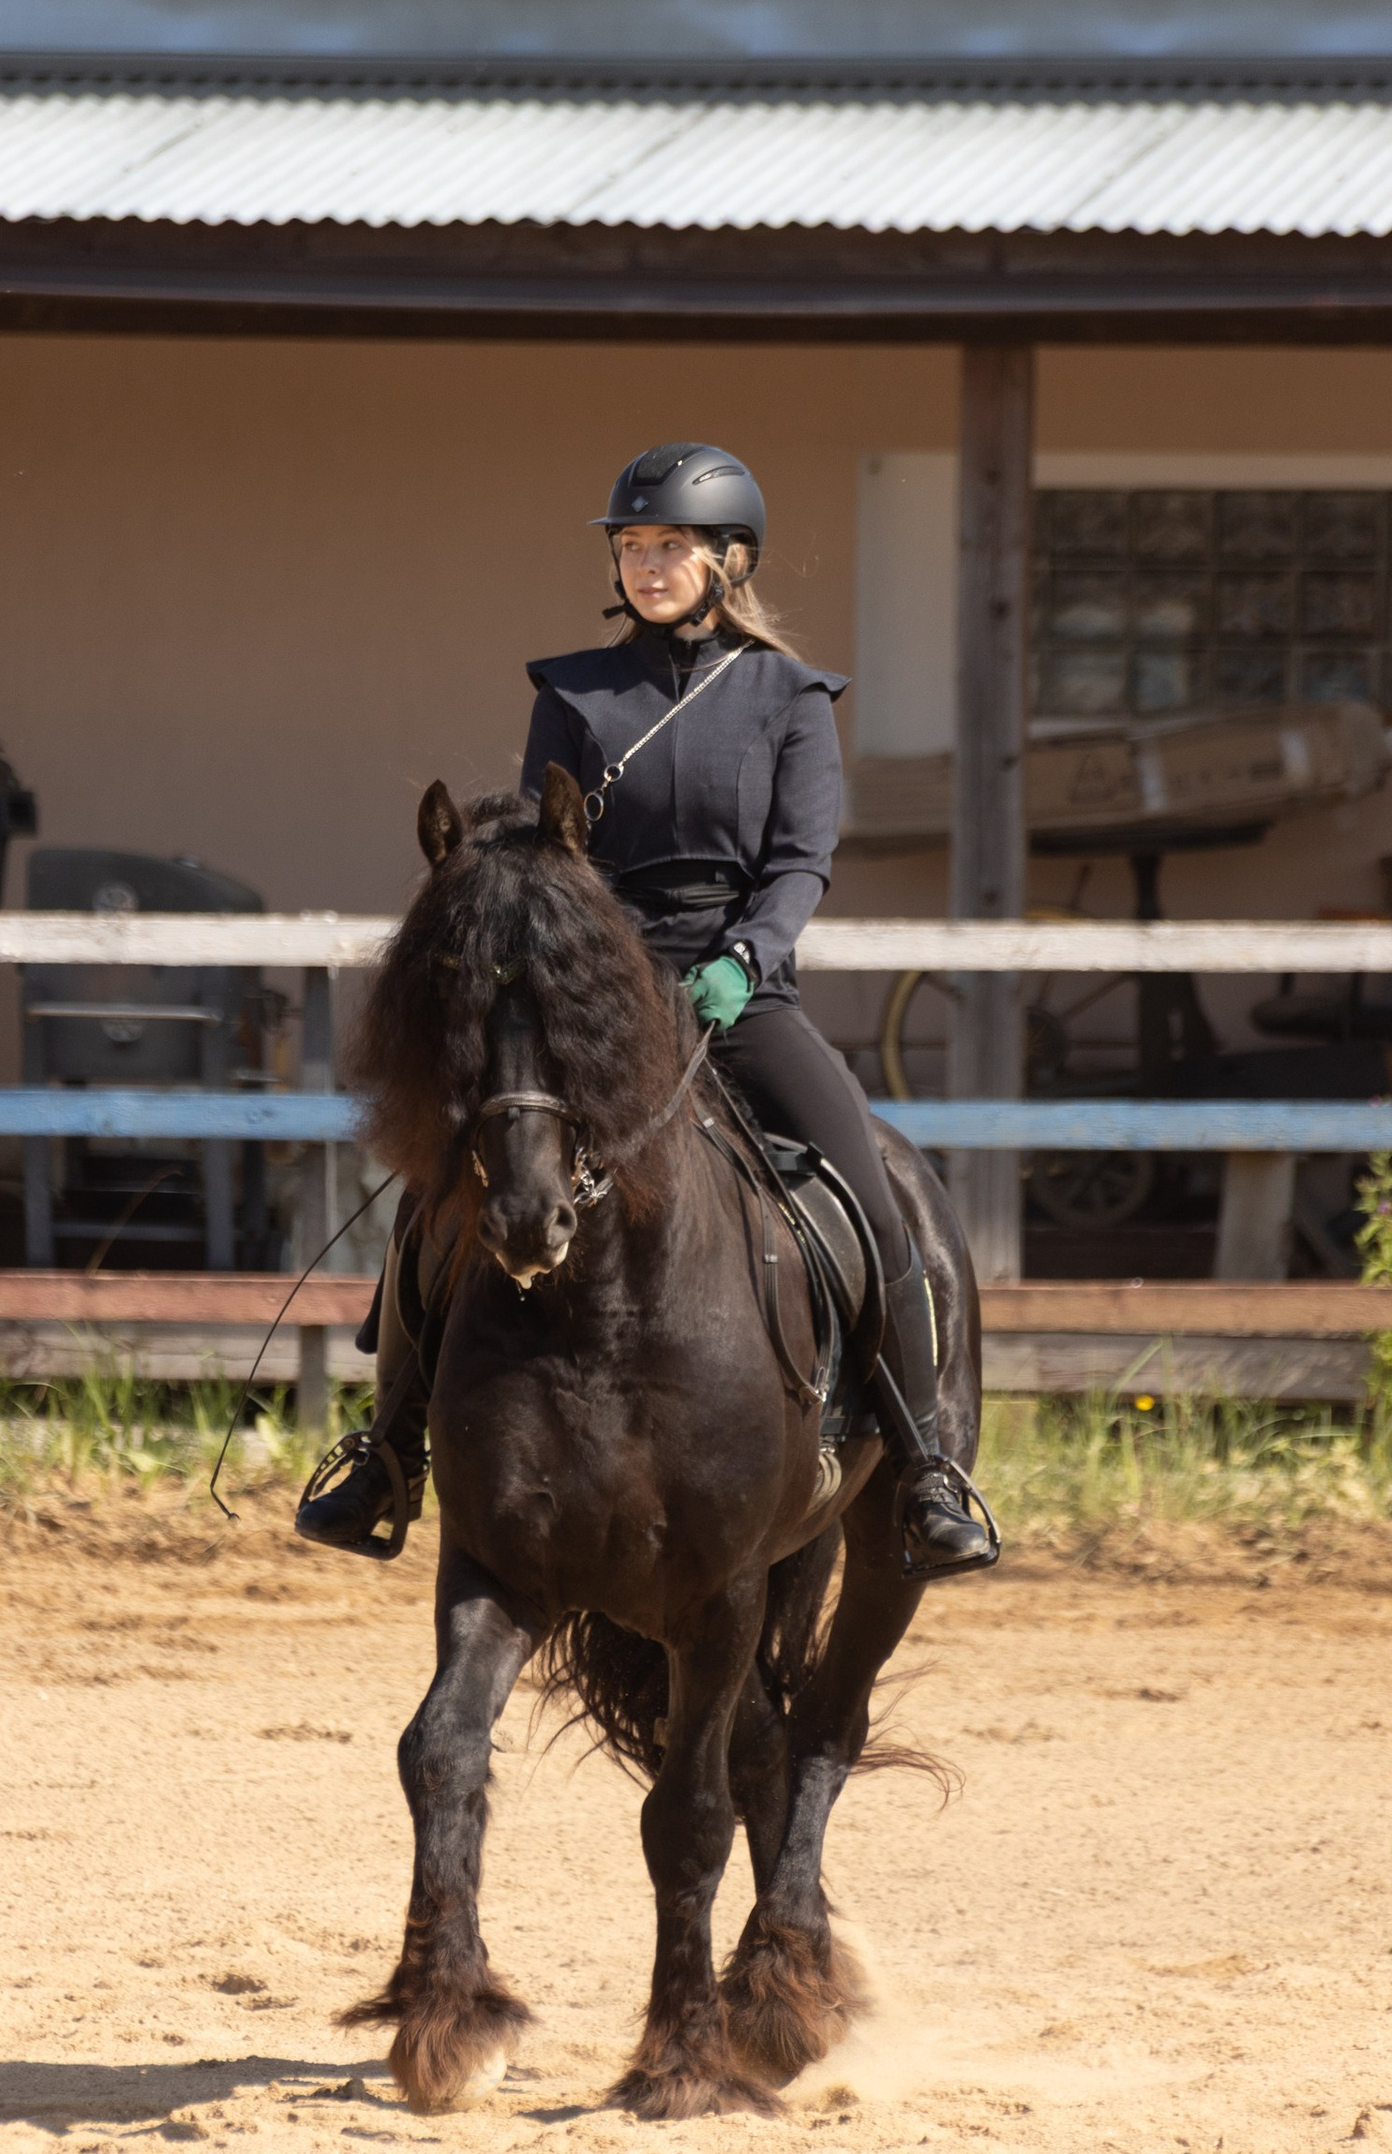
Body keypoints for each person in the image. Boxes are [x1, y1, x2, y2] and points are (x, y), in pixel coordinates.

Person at [296, 441, 999, 1577]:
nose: (647, 564)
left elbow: (800, 862)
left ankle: (924, 1467)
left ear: (727, 561)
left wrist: (746, 954)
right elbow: (545, 856)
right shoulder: (572, 692)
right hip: (597, 1002)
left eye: (670, 546)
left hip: (739, 994)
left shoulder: (791, 698)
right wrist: (572, 968)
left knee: (872, 1195)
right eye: (632, 546)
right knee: (444, 1193)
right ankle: (385, 1454)